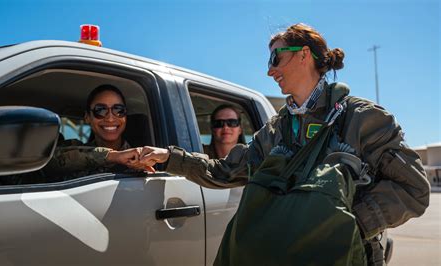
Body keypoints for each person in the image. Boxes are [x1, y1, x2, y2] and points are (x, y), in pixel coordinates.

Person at [137, 23, 430, 265]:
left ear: (304, 55)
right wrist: (168, 157)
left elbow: (414, 189)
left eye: (275, 58)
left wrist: (350, 225)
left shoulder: (363, 119)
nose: (270, 70)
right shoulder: (276, 130)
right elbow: (225, 171)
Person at [43, 84, 148, 178]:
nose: (110, 118)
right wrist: (112, 156)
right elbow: (48, 161)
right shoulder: (74, 152)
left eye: (118, 110)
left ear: (125, 117)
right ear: (87, 117)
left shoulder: (143, 160)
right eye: (100, 110)